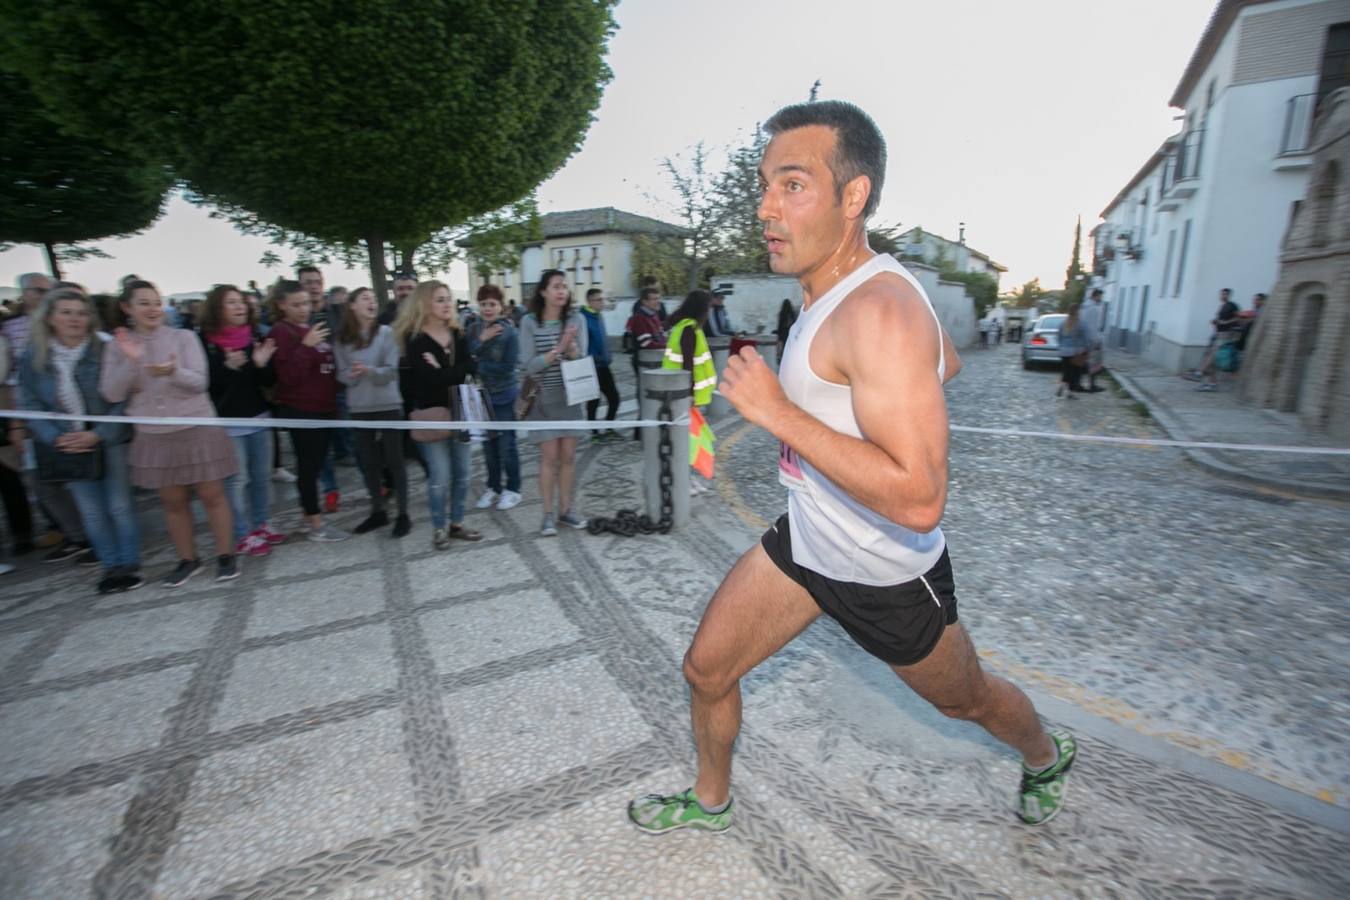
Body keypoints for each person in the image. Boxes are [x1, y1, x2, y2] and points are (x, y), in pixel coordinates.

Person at [628, 100, 1073, 835]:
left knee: (970, 700)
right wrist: (874, 401)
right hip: (808, 543)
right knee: (707, 670)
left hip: (889, 577)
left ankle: (1043, 753)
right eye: (765, 185)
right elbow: (946, 361)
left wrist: (781, 414)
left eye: (793, 185)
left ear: (853, 195)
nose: (767, 208)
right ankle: (711, 803)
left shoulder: (880, 311)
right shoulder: (835, 289)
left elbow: (920, 497)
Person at [100, 280, 240, 586]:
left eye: (156, 302)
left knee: (211, 494)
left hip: (196, 425)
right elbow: (111, 393)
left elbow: (199, 382)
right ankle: (188, 559)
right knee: (173, 500)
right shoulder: (116, 346)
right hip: (154, 433)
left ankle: (226, 555)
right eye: (144, 303)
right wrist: (132, 362)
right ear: (127, 308)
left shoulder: (183, 337)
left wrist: (172, 372)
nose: (152, 309)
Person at [18, 288, 142, 593]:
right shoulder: (33, 356)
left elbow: (121, 396)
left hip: (109, 439)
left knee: (119, 506)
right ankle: (110, 566)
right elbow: (31, 404)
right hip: (67, 443)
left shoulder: (105, 348)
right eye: (66, 312)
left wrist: (97, 434)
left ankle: (129, 563)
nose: (75, 319)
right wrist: (56, 438)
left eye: (81, 312)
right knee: (91, 510)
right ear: (49, 318)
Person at [201, 284, 285, 558]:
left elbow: (268, 382)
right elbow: (205, 385)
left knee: (261, 477)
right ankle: (241, 533)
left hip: (259, 417)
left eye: (241, 302)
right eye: (232, 302)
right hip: (227, 423)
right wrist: (227, 369)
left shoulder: (255, 336)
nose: (240, 307)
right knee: (237, 481)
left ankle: (260, 524)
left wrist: (261, 364)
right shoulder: (205, 342)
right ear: (217, 308)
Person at [397, 280, 482, 549]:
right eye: (440, 300)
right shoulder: (415, 340)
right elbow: (431, 380)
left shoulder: (458, 334)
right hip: (431, 415)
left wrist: (446, 369)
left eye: (449, 298)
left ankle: (456, 523)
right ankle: (438, 527)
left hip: (462, 411)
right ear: (425, 304)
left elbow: (473, 368)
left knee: (463, 472)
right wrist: (457, 369)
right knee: (440, 475)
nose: (448, 304)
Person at [269, 280, 348, 542]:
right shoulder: (282, 332)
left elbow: (327, 368)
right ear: (282, 305)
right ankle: (315, 523)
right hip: (302, 410)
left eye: (306, 303)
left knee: (314, 466)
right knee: (309, 466)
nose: (303, 309)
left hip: (324, 407)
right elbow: (287, 376)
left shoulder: (312, 327)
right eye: (296, 304)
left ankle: (307, 516)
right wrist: (306, 346)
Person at [335, 287, 411, 537]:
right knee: (368, 462)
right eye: (365, 298)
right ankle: (378, 511)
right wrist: (353, 375)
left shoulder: (387, 333)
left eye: (373, 298)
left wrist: (368, 371)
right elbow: (341, 374)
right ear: (352, 306)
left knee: (395, 460)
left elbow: (390, 371)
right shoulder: (342, 339)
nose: (371, 302)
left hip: (388, 405)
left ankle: (403, 513)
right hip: (359, 408)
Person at [520, 270, 589, 536]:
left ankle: (566, 510)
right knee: (549, 458)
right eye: (556, 286)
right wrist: (559, 349)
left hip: (570, 399)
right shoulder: (528, 322)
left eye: (564, 286)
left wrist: (572, 352)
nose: (562, 291)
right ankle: (547, 515)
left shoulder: (576, 319)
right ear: (543, 292)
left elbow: (582, 358)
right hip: (542, 402)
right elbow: (528, 366)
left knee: (569, 457)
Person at [467, 284, 522, 511]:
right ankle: (493, 486)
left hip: (505, 394)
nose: (488, 309)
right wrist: (481, 339)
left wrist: (478, 362)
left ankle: (513, 488)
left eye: (492, 304)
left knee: (507, 445)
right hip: (480, 396)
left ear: (501, 306)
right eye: (483, 304)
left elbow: (508, 367)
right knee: (488, 446)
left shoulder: (510, 332)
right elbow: (465, 356)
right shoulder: (472, 328)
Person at [663, 290, 717, 495]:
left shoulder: (684, 327)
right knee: (685, 440)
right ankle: (683, 479)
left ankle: (688, 477)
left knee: (688, 439)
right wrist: (690, 394)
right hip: (684, 396)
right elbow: (688, 365)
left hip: (683, 394)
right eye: (708, 308)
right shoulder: (689, 330)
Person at [625, 287, 666, 440]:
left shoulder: (654, 316)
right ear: (645, 301)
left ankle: (647, 429)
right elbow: (646, 343)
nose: (657, 302)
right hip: (643, 363)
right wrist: (666, 346)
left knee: (654, 396)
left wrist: (664, 342)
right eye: (654, 299)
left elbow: (660, 336)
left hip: (656, 362)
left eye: (658, 298)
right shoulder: (639, 318)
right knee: (644, 395)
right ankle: (641, 432)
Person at [581, 288, 620, 442]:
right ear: (590, 301)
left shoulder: (599, 316)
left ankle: (609, 426)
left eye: (602, 299)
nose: (601, 302)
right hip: (592, 366)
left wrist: (608, 355)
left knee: (614, 398)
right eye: (598, 300)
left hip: (604, 365)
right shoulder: (583, 318)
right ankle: (594, 433)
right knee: (593, 401)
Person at [1190, 288, 1242, 392]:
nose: (1223, 296)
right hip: (1217, 334)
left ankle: (1200, 373)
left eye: (1225, 294)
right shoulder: (1222, 307)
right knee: (1214, 361)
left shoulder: (1232, 305)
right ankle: (1211, 384)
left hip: (1226, 335)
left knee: (1213, 355)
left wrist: (1225, 323)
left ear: (1229, 295)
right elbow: (1220, 320)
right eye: (1222, 294)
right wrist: (1216, 322)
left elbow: (1238, 318)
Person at [3, 273, 54, 366]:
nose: (46, 295)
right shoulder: (7, 327)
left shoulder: (60, 323)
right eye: (40, 291)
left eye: (50, 291)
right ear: (23, 293)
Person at [1056, 303, 1090, 399]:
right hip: (1077, 351)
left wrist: (1061, 346)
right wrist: (1087, 348)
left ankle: (1062, 385)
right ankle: (1070, 393)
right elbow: (1086, 337)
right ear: (1078, 312)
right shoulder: (1081, 323)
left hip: (1064, 351)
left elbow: (1059, 336)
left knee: (1066, 371)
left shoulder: (1063, 323)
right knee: (1076, 373)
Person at [1079, 289, 1106, 392]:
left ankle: (1078, 383)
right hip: (1092, 340)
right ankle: (1092, 385)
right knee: (1094, 363)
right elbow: (1093, 326)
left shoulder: (1084, 307)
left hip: (1083, 339)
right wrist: (1096, 340)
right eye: (1100, 296)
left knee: (1082, 363)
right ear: (1096, 296)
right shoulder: (1093, 308)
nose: (1101, 299)